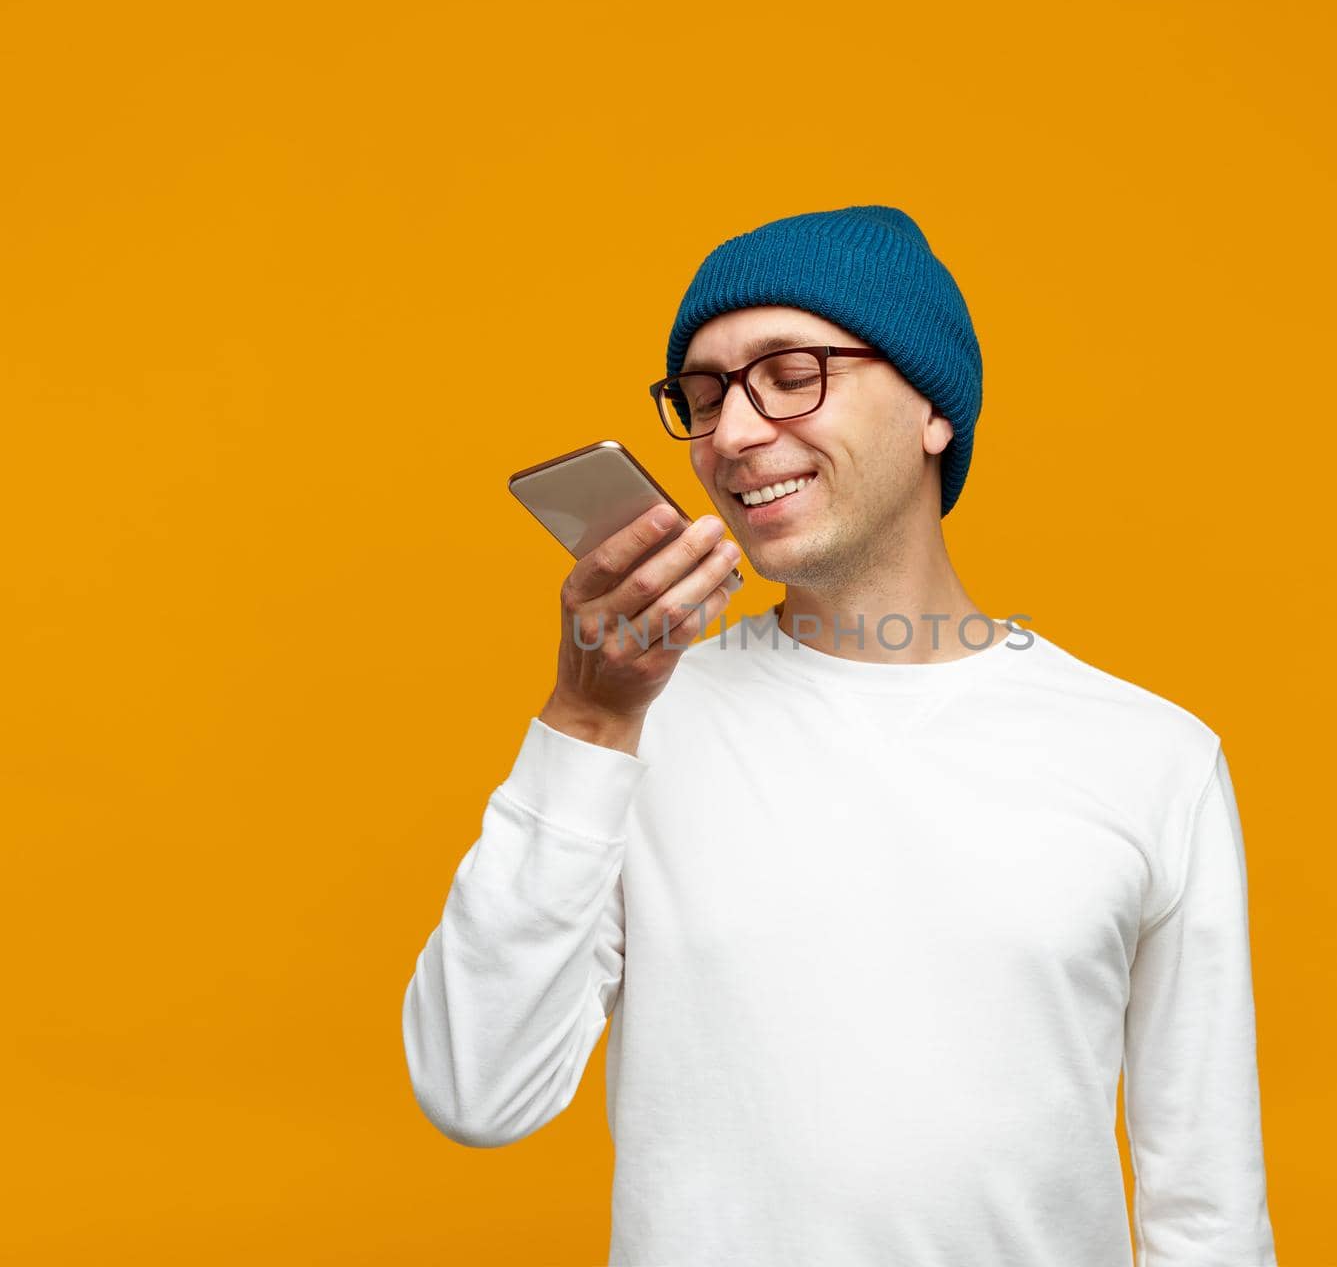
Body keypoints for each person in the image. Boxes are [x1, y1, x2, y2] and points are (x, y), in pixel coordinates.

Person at [401, 204, 1279, 1267]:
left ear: (933, 411)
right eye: (706, 392)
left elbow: (1205, 1207)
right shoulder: (633, 728)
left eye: (789, 372)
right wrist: (588, 716)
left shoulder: (1151, 756)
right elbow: (477, 1088)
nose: (731, 433)